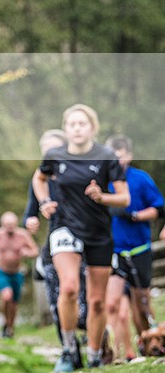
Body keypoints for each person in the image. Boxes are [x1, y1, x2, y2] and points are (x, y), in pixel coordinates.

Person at [33, 104, 129, 370]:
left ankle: (95, 355)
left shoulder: (106, 156)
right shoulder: (55, 155)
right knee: (69, 288)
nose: (77, 128)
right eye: (72, 124)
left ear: (92, 128)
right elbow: (39, 179)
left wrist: (102, 197)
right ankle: (68, 349)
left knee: (97, 301)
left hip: (98, 231)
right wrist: (44, 203)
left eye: (82, 124)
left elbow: (124, 198)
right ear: (66, 128)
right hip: (64, 227)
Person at [23, 129, 87, 358]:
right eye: (45, 151)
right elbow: (30, 212)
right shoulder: (39, 179)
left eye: (54, 149)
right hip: (55, 242)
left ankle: (97, 339)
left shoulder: (81, 171)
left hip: (85, 241)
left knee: (84, 303)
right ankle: (69, 352)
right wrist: (30, 220)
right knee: (57, 299)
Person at [104, 135, 163, 361]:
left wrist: (136, 215)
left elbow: (158, 208)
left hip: (138, 249)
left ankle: (148, 346)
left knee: (141, 306)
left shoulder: (141, 179)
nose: (115, 161)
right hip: (113, 252)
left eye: (119, 156)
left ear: (129, 156)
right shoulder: (101, 181)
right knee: (113, 305)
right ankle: (121, 354)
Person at [0, 211, 39, 338]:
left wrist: (27, 252)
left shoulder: (22, 235)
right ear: (2, 224)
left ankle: (9, 327)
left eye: (12, 224)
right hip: (1, 271)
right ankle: (5, 322)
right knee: (7, 296)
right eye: (7, 224)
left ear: (16, 223)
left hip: (17, 272)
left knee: (14, 303)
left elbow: (35, 250)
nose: (10, 227)